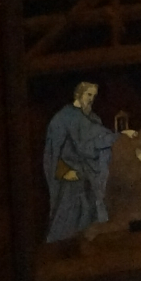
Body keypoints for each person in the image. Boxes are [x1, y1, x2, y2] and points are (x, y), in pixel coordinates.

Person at [43, 80, 114, 241]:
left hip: (89, 178)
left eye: (94, 96)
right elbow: (53, 150)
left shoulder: (93, 119)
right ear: (78, 94)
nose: (91, 99)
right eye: (88, 94)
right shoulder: (63, 118)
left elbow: (99, 142)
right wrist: (63, 171)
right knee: (67, 222)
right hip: (70, 178)